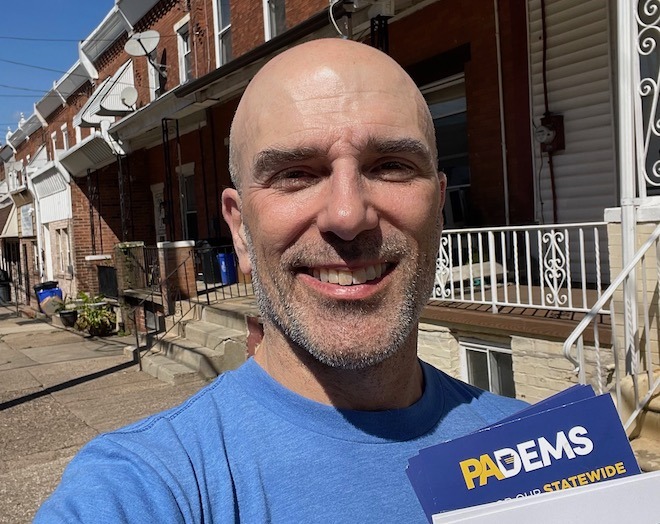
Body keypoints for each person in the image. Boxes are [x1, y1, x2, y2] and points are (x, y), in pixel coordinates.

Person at [35, 38, 526, 523]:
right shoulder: (146, 486)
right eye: (295, 174)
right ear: (240, 230)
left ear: (438, 208)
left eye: (391, 166)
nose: (348, 214)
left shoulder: (543, 449)